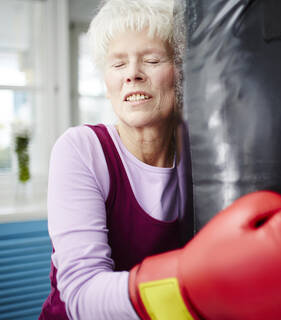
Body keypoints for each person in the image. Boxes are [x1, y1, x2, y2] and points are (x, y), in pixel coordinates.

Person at [40, 0, 193, 318]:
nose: (133, 75)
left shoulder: (200, 152)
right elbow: (82, 294)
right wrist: (194, 283)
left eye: (151, 60)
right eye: (118, 64)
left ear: (179, 73)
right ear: (106, 82)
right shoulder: (81, 149)